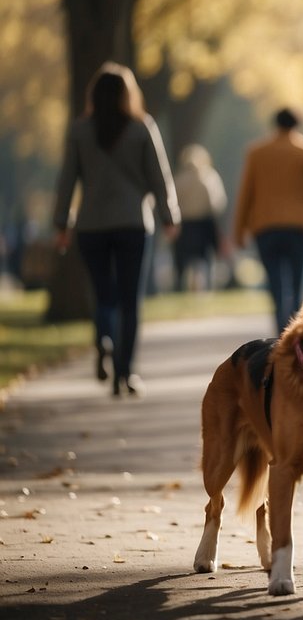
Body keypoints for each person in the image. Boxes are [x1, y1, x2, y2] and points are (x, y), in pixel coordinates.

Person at [52, 62, 180, 397]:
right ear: (128, 94)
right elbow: (159, 176)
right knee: (129, 299)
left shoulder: (80, 130)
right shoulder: (141, 128)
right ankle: (125, 374)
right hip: (133, 223)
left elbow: (67, 179)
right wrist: (169, 216)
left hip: (91, 224)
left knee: (102, 293)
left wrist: (61, 223)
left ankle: (104, 339)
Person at [233, 107, 303, 334]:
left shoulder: (256, 152)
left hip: (265, 226)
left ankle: (281, 330)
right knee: (297, 282)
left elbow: (245, 194)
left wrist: (238, 230)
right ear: (297, 124)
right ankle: (296, 331)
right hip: (298, 226)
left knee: (275, 284)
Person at [172, 144, 228, 292]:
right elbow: (218, 203)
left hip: (184, 225)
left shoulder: (178, 179)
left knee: (182, 259)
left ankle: (180, 287)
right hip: (204, 224)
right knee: (205, 258)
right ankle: (207, 288)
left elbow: (173, 202)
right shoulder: (210, 177)